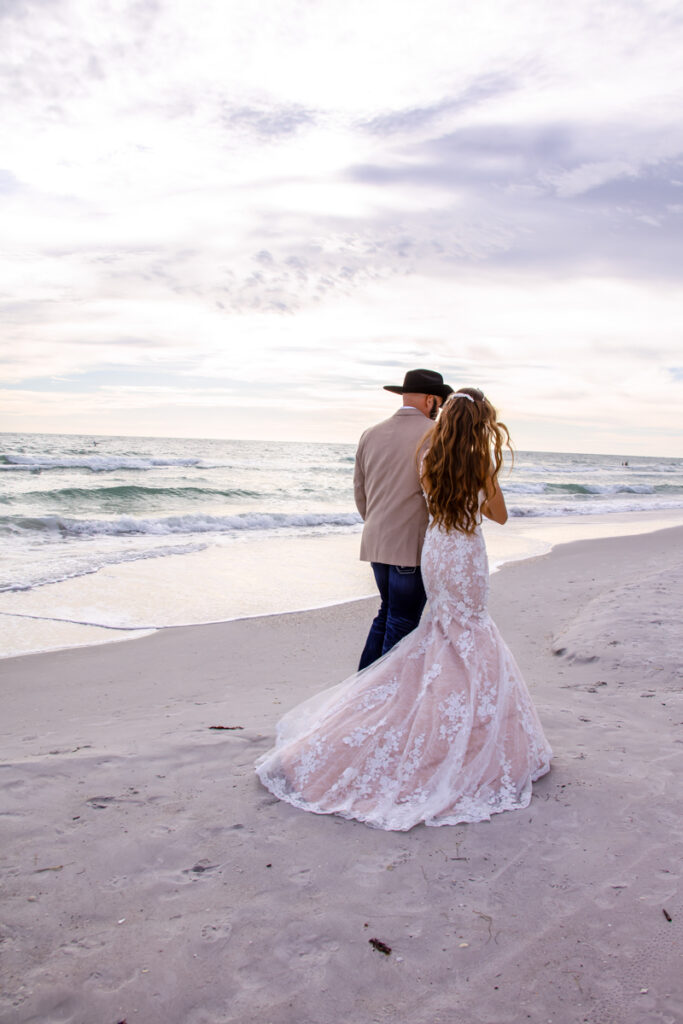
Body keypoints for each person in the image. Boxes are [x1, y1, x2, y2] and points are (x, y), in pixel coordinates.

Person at [255, 387, 552, 830]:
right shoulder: (482, 464)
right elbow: (500, 516)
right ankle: (464, 724)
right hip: (466, 552)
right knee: (469, 629)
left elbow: (427, 504)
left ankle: (410, 704)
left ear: (445, 419)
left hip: (437, 549)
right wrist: (486, 481)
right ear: (482, 425)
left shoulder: (427, 458)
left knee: (436, 630)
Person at [354, 368, 453, 670]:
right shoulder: (435, 435)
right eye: (441, 403)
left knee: (387, 614)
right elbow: (438, 497)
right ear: (431, 400)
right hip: (411, 545)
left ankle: (362, 690)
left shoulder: (370, 434)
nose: (441, 410)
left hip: (376, 541)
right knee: (402, 622)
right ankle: (383, 696)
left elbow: (361, 493)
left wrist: (377, 525)